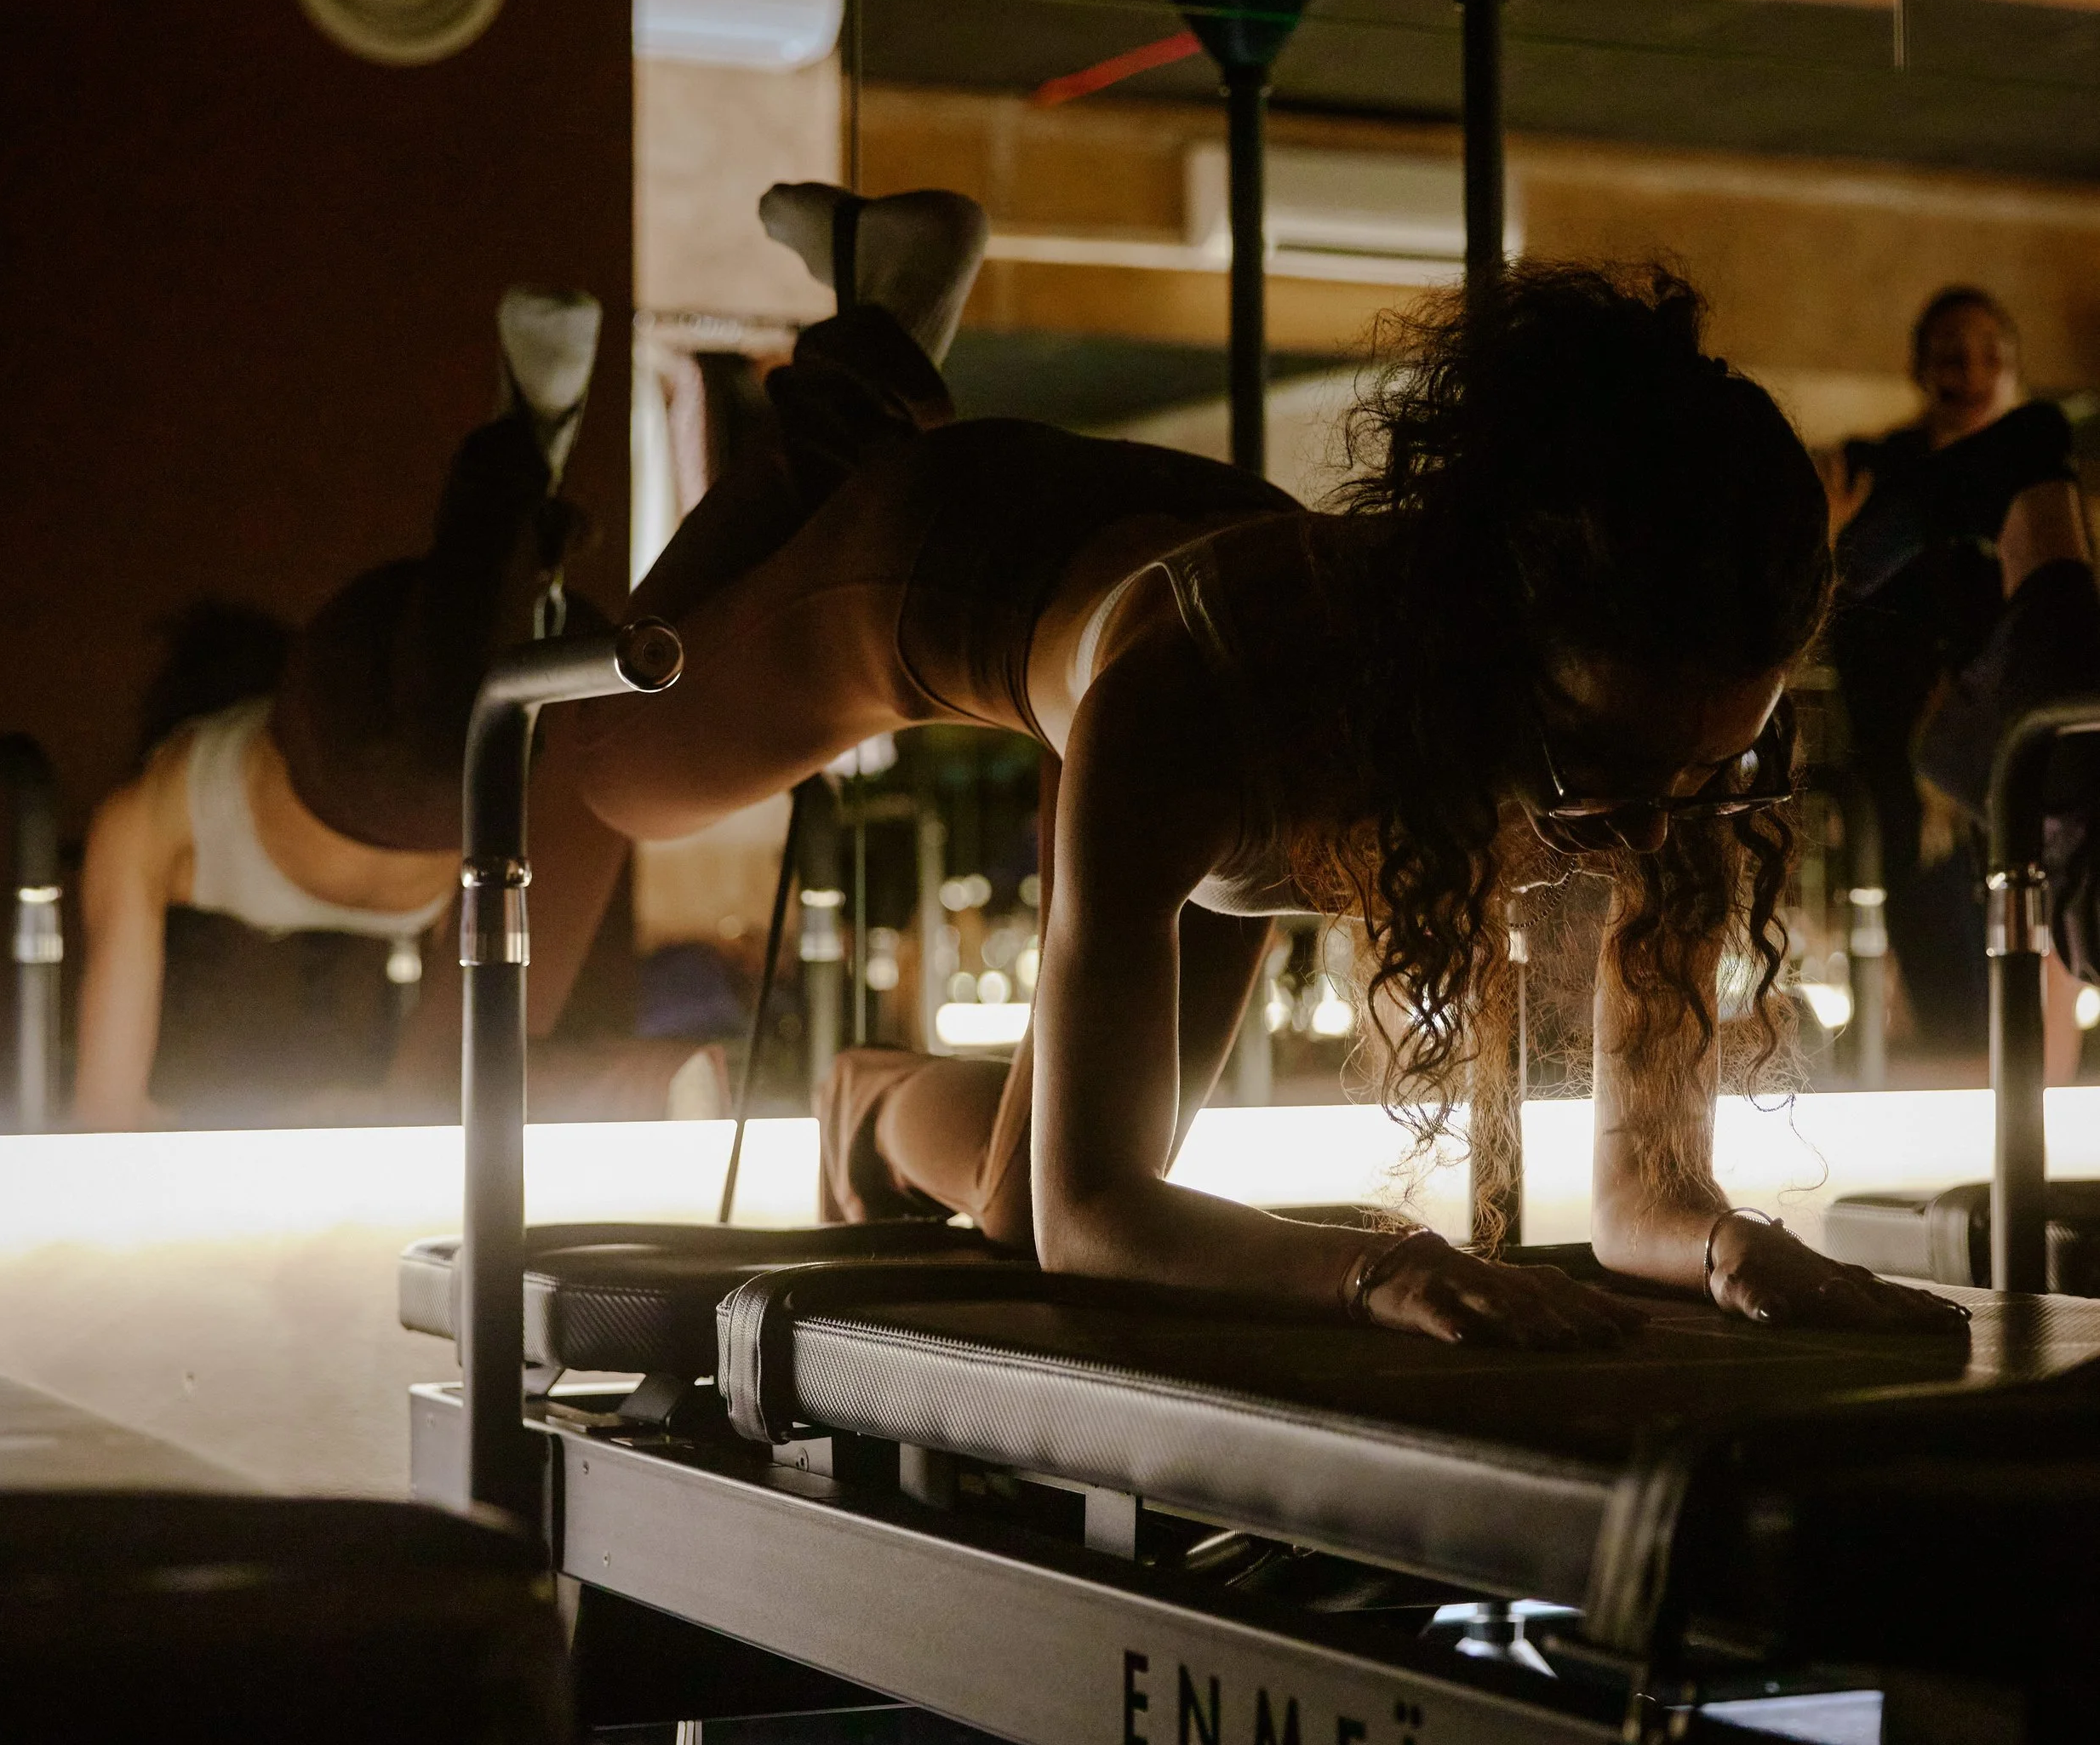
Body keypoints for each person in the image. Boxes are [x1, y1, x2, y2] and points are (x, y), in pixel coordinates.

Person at [553, 186, 1962, 1347]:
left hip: (1206, 637)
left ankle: (865, 1099)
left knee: (1010, 1231)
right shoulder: (1205, 706)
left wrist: (1733, 1242)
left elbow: (1641, 1198)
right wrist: (1379, 1268)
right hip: (943, 561)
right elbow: (1101, 1216)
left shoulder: (1671, 728)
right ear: (1484, 646)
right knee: (615, 762)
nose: (1644, 834)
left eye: (1710, 769)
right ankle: (853, 381)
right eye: (1601, 768)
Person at [74, 289, 602, 1129]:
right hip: (438, 772)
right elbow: (111, 1116)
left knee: (435, 719)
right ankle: (522, 500)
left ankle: (519, 464)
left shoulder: (149, 816)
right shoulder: (147, 829)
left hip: (345, 722)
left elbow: (103, 1113)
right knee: (483, 697)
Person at [1826, 287, 2081, 1055]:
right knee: (1949, 979)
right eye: (1950, 357)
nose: (1971, 374)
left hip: (2023, 757)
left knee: (2040, 973)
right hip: (1915, 781)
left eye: (1991, 356)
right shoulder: (1879, 478)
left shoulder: (2039, 480)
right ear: (1919, 368)